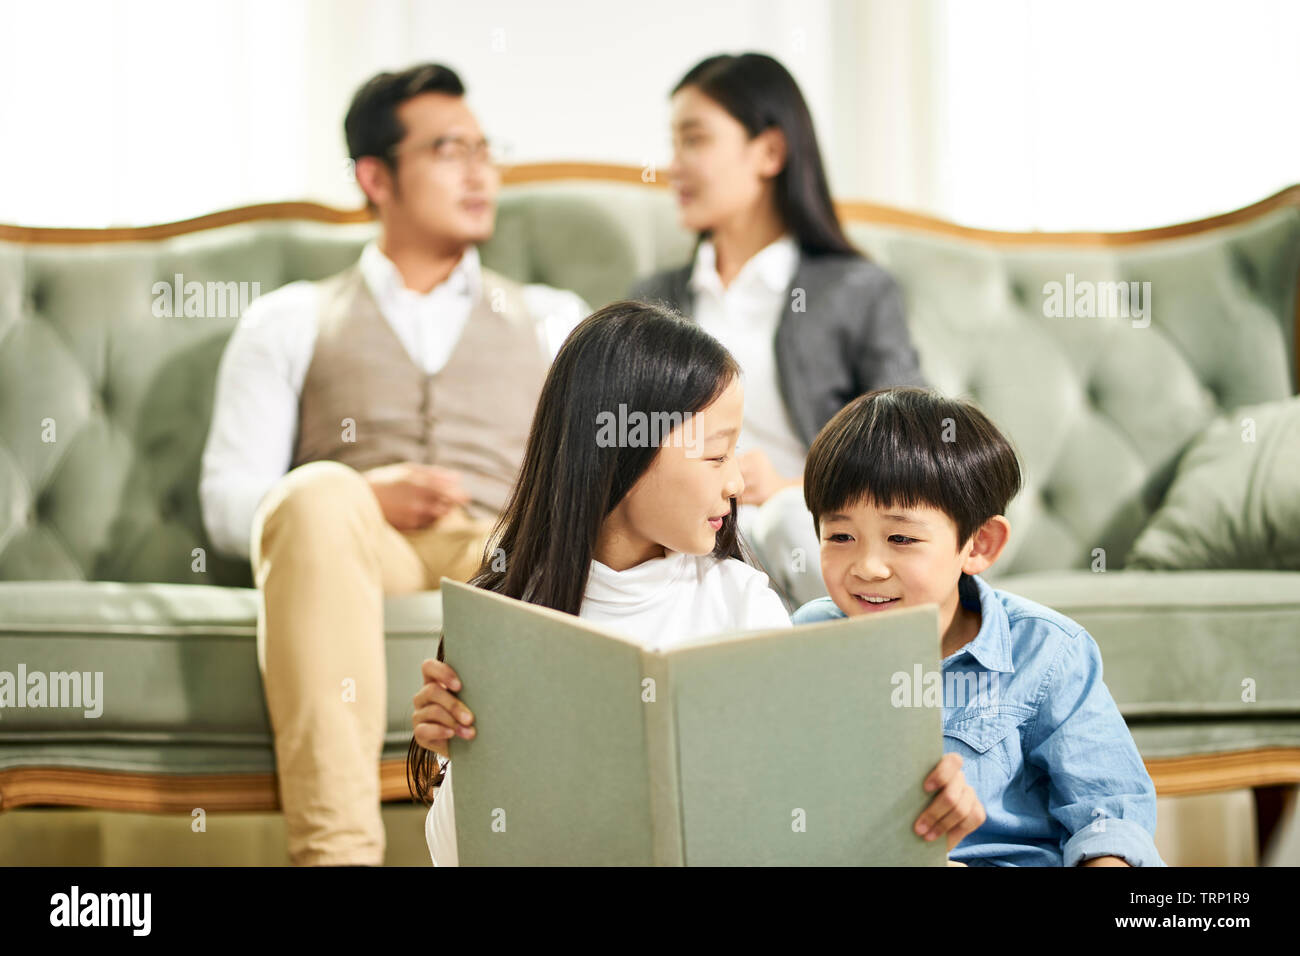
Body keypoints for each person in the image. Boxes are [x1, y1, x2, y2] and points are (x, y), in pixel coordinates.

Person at [408, 302, 985, 865]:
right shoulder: (509, 617)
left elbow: (803, 809)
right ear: (622, 454)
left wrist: (916, 808)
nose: (737, 481)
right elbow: (463, 853)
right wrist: (465, 760)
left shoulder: (740, 600)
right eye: (716, 455)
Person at [198, 63, 587, 865]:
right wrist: (361, 495)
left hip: (494, 549)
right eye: (449, 150)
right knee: (312, 496)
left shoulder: (554, 320)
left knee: (551, 540)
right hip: (347, 551)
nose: (481, 171)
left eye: (487, 149)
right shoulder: (289, 319)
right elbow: (230, 504)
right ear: (375, 175)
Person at [791, 387, 1164, 866]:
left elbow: (1110, 819)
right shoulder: (810, 637)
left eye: (901, 537)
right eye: (840, 536)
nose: (867, 568)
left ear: (979, 544)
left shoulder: (1047, 652)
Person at [630, 52, 927, 609]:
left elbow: (917, 448)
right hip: (689, 532)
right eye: (673, 144)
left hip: (808, 525)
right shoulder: (653, 301)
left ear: (768, 151)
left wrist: (791, 489)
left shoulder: (855, 289)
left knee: (788, 531)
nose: (673, 166)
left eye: (694, 140)